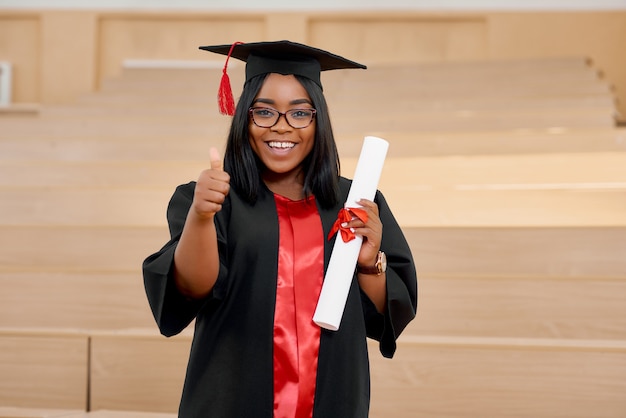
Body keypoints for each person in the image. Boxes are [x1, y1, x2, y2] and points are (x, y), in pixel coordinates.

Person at [143, 40, 418, 418]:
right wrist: (202, 216)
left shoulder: (357, 201)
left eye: (300, 113)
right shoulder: (210, 197)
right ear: (244, 116)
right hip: (235, 397)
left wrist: (370, 263)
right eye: (265, 112)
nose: (282, 127)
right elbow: (191, 289)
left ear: (318, 119)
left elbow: (391, 317)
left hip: (333, 395)